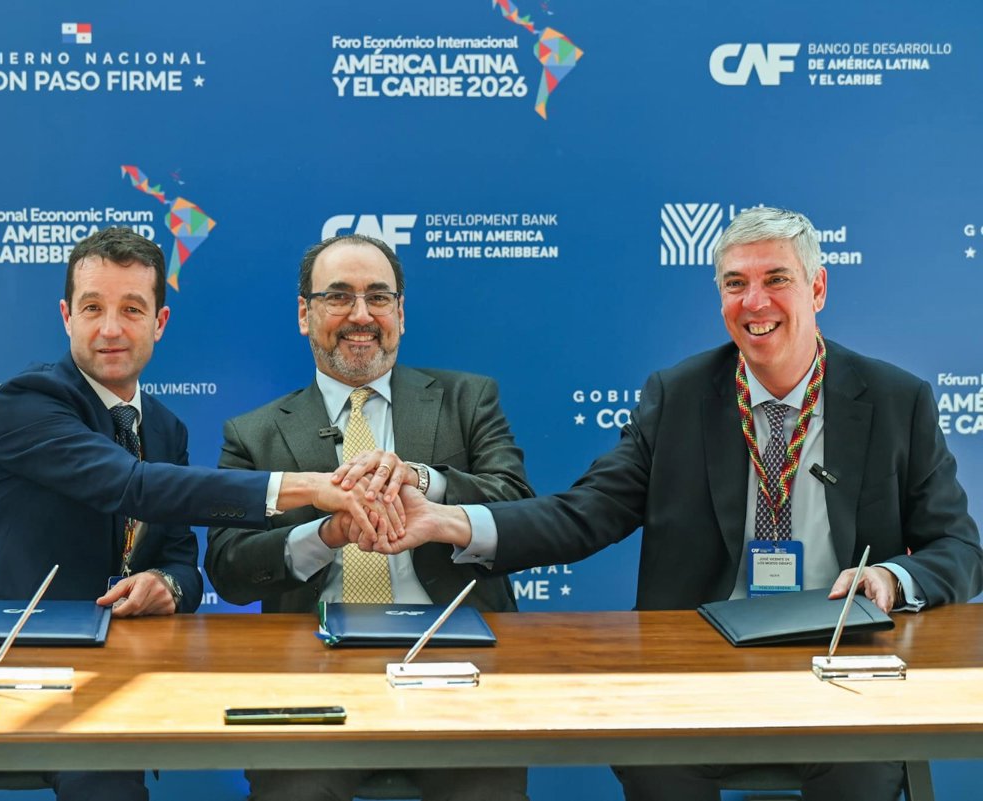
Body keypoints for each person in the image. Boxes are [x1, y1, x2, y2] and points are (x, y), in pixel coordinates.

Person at [361, 207, 983, 801]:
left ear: (817, 289)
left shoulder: (896, 401)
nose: (755, 302)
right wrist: (447, 520)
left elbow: (958, 546)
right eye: (735, 284)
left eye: (776, 280)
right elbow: (588, 513)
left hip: (839, 662)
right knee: (656, 762)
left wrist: (891, 577)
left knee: (863, 771)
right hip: (702, 666)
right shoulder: (680, 396)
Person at [0, 227, 395, 801]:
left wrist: (166, 585)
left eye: (131, 309)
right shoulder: (29, 400)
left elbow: (184, 562)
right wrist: (307, 487)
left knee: (111, 787)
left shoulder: (166, 429)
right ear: (67, 317)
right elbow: (130, 484)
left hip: (96, 681)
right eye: (92, 308)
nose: (111, 329)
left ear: (159, 323)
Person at [206, 233, 533, 801]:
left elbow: (519, 508)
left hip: (455, 666)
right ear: (305, 315)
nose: (361, 316)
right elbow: (229, 569)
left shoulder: (468, 400)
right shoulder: (253, 434)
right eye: (338, 297)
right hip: (314, 675)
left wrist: (425, 481)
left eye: (378, 297)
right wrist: (326, 533)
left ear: (400, 313)